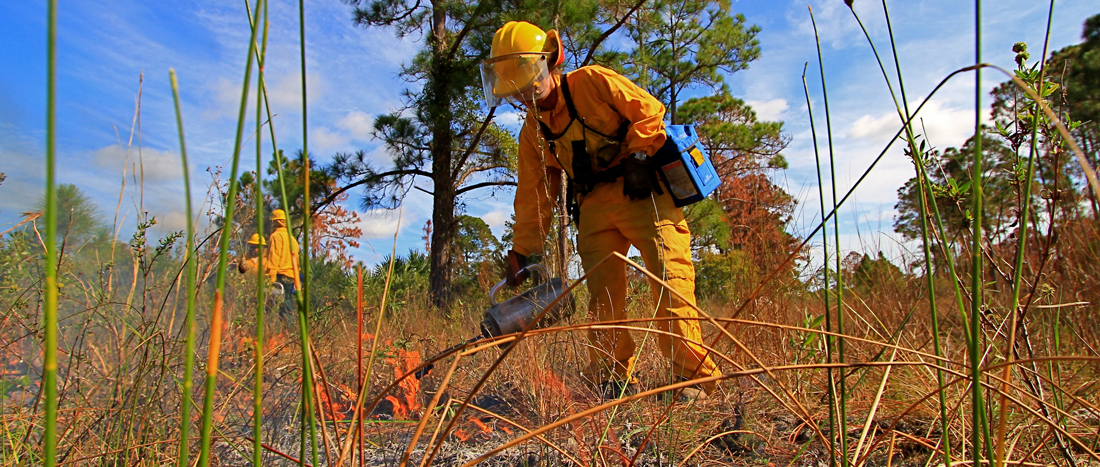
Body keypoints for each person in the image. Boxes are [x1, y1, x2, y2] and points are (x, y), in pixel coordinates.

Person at [482, 21, 721, 401]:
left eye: (530, 82)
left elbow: (648, 111)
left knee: (669, 283)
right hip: (593, 205)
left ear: (550, 63)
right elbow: (534, 194)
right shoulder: (533, 130)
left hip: (643, 192)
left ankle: (691, 380)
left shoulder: (591, 82)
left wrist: (641, 155)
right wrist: (522, 249)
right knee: (603, 299)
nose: (526, 94)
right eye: (516, 89)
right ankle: (610, 380)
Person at [266, 209, 300, 326]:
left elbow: (273, 258)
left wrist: (270, 278)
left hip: (280, 277)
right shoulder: (293, 240)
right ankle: (287, 334)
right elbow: (297, 261)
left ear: (276, 222)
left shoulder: (276, 236)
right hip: (291, 277)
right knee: (287, 307)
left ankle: (282, 333)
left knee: (273, 308)